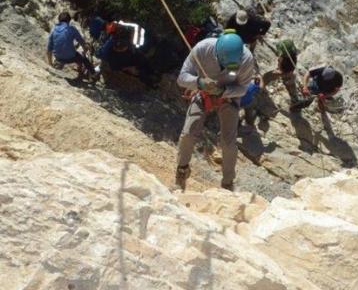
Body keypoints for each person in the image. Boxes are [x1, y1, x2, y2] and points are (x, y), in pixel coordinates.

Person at [176, 31, 254, 191]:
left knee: (228, 142)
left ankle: (227, 182)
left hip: (228, 96)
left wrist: (222, 91)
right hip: (202, 92)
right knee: (188, 133)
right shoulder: (202, 49)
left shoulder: (246, 59)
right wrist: (199, 83)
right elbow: (182, 78)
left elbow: (243, 89)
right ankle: (182, 170)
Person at [95, 20, 158, 87]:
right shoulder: (119, 39)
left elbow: (105, 53)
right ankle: (151, 78)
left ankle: (150, 78)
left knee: (140, 64)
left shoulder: (116, 41)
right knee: (141, 64)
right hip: (132, 56)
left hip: (130, 56)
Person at [47, 11, 96, 79]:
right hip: (70, 57)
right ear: (69, 21)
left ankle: (60, 64)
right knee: (84, 59)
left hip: (58, 57)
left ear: (59, 20)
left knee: (71, 52)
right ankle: (93, 74)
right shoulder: (72, 29)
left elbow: (49, 49)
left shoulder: (53, 29)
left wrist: (50, 63)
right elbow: (82, 42)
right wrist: (85, 51)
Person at [262, 39, 299, 107]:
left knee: (266, 77)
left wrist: (280, 71)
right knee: (290, 85)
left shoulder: (287, 60)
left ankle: (261, 87)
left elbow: (282, 66)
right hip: (288, 71)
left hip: (284, 72)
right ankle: (295, 99)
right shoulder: (293, 55)